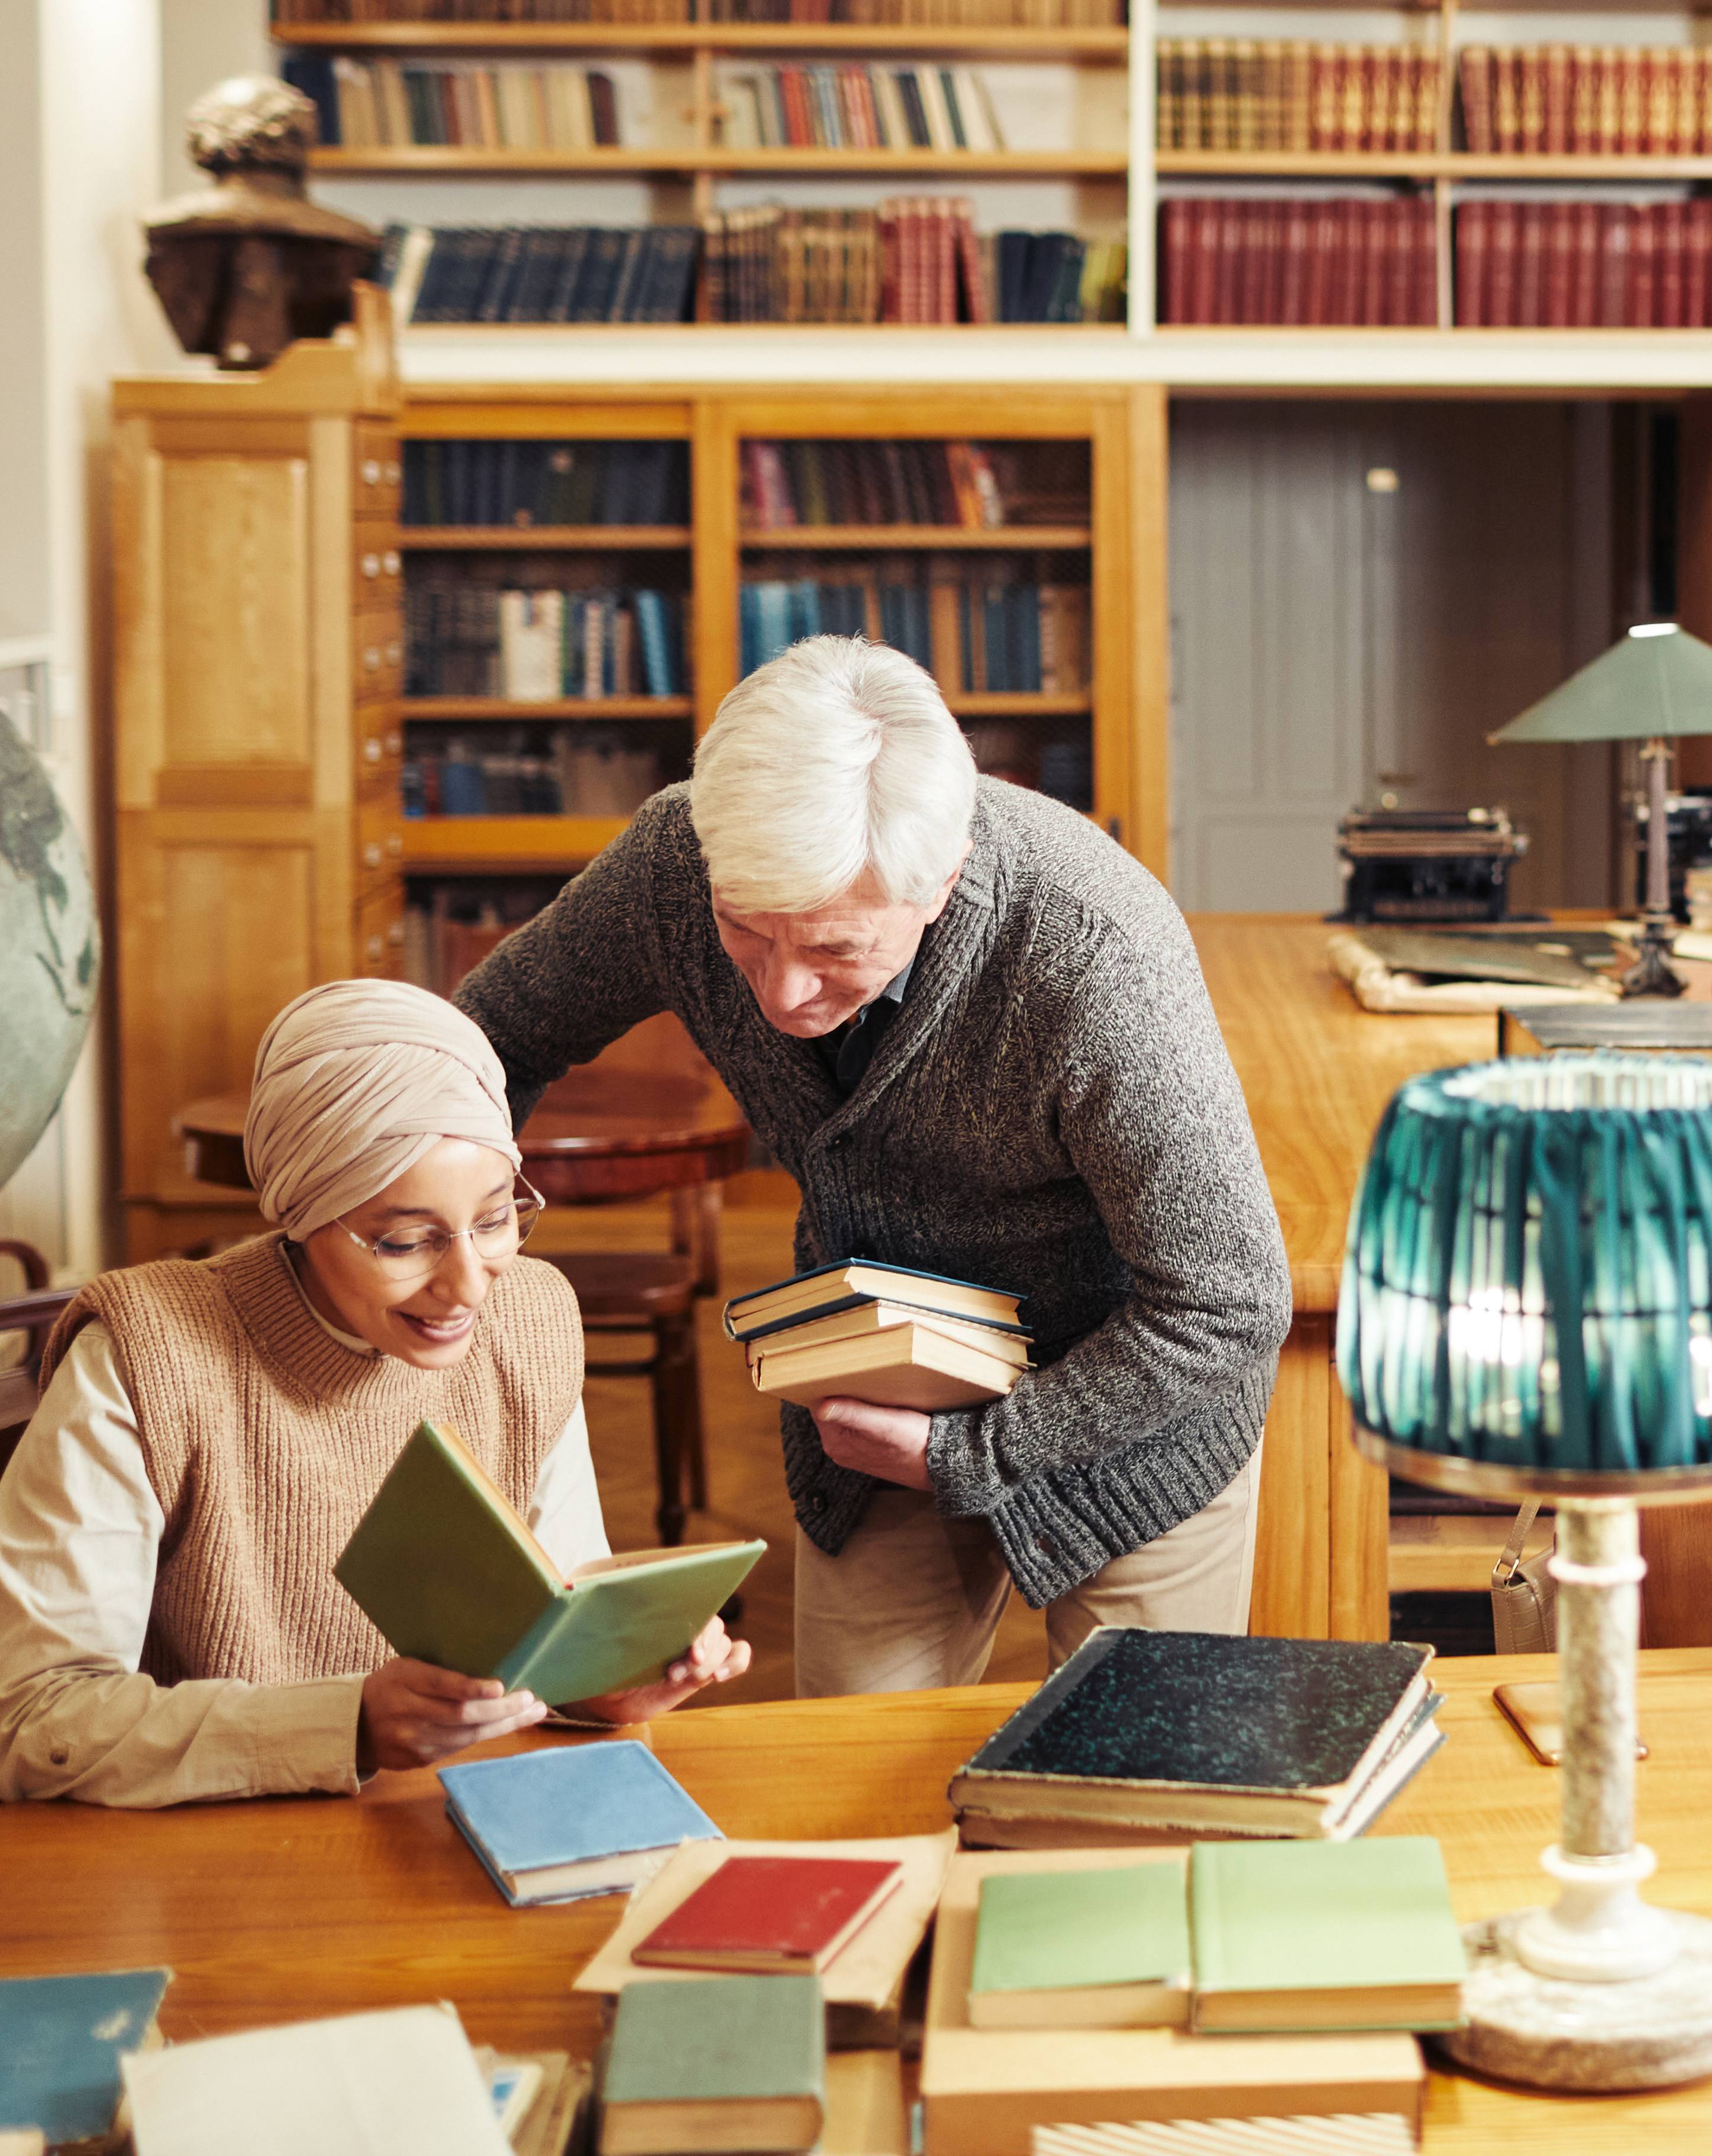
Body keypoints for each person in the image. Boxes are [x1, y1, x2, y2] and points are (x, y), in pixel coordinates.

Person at [455, 637, 1288, 1697]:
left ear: (941, 881)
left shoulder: (1095, 950)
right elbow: (490, 1036)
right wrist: (459, 1230)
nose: (781, 998)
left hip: (1137, 1397)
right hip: (879, 1381)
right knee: (849, 1779)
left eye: (837, 951)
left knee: (1132, 1795)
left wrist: (976, 1453)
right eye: (746, 937)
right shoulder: (679, 860)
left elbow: (1228, 1302)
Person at [0, 983, 747, 1805]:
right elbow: (26, 1722)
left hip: (455, 1829)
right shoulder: (149, 1355)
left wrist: (613, 1683)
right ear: (301, 1216)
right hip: (211, 1865)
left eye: (494, 1221)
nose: (467, 1288)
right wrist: (346, 1725)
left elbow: (548, 1638)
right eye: (404, 1241)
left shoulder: (530, 1316)